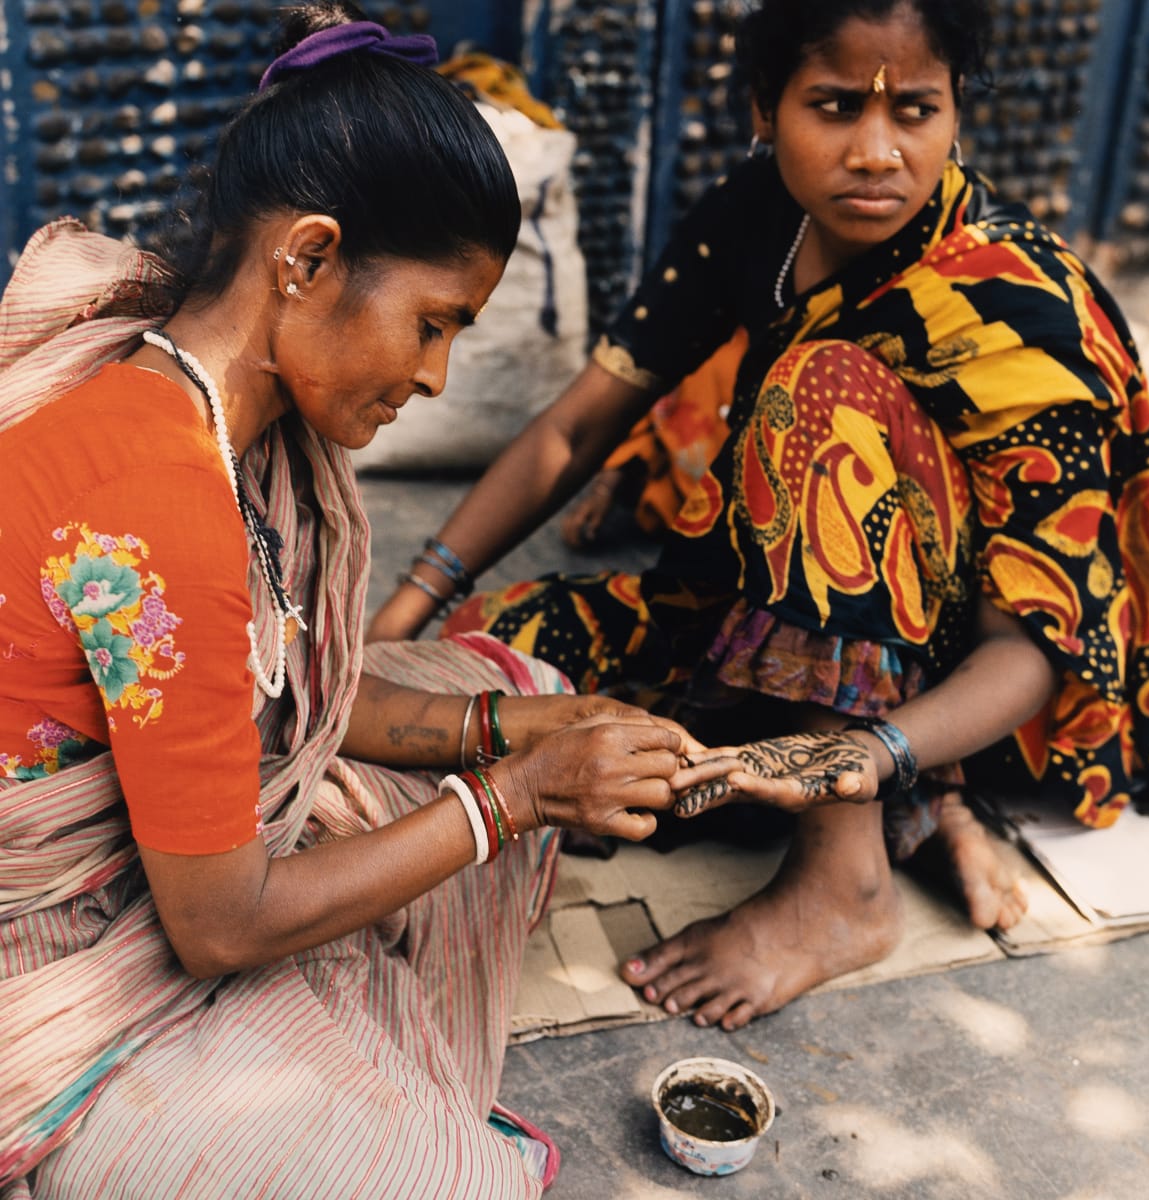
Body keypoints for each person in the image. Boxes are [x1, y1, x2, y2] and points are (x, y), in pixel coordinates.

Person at [366, 0, 1149, 1033]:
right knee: (486, 665)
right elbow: (572, 434)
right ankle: (915, 817)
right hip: (768, 619)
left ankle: (841, 882)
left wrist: (870, 755)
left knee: (819, 392)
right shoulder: (760, 215)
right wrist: (397, 617)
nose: (875, 151)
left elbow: (1026, 654)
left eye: (916, 111)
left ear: (954, 116)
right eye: (834, 107)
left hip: (958, 693)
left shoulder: (1019, 306)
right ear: (765, 109)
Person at [0, 6, 700, 1195]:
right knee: (440, 1180)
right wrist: (511, 799)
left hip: (175, 848)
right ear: (308, 259)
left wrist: (517, 733)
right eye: (432, 326)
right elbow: (216, 925)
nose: (432, 377)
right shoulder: (160, 501)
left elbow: (280, 687)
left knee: (519, 683)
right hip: (56, 940)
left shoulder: (215, 411)